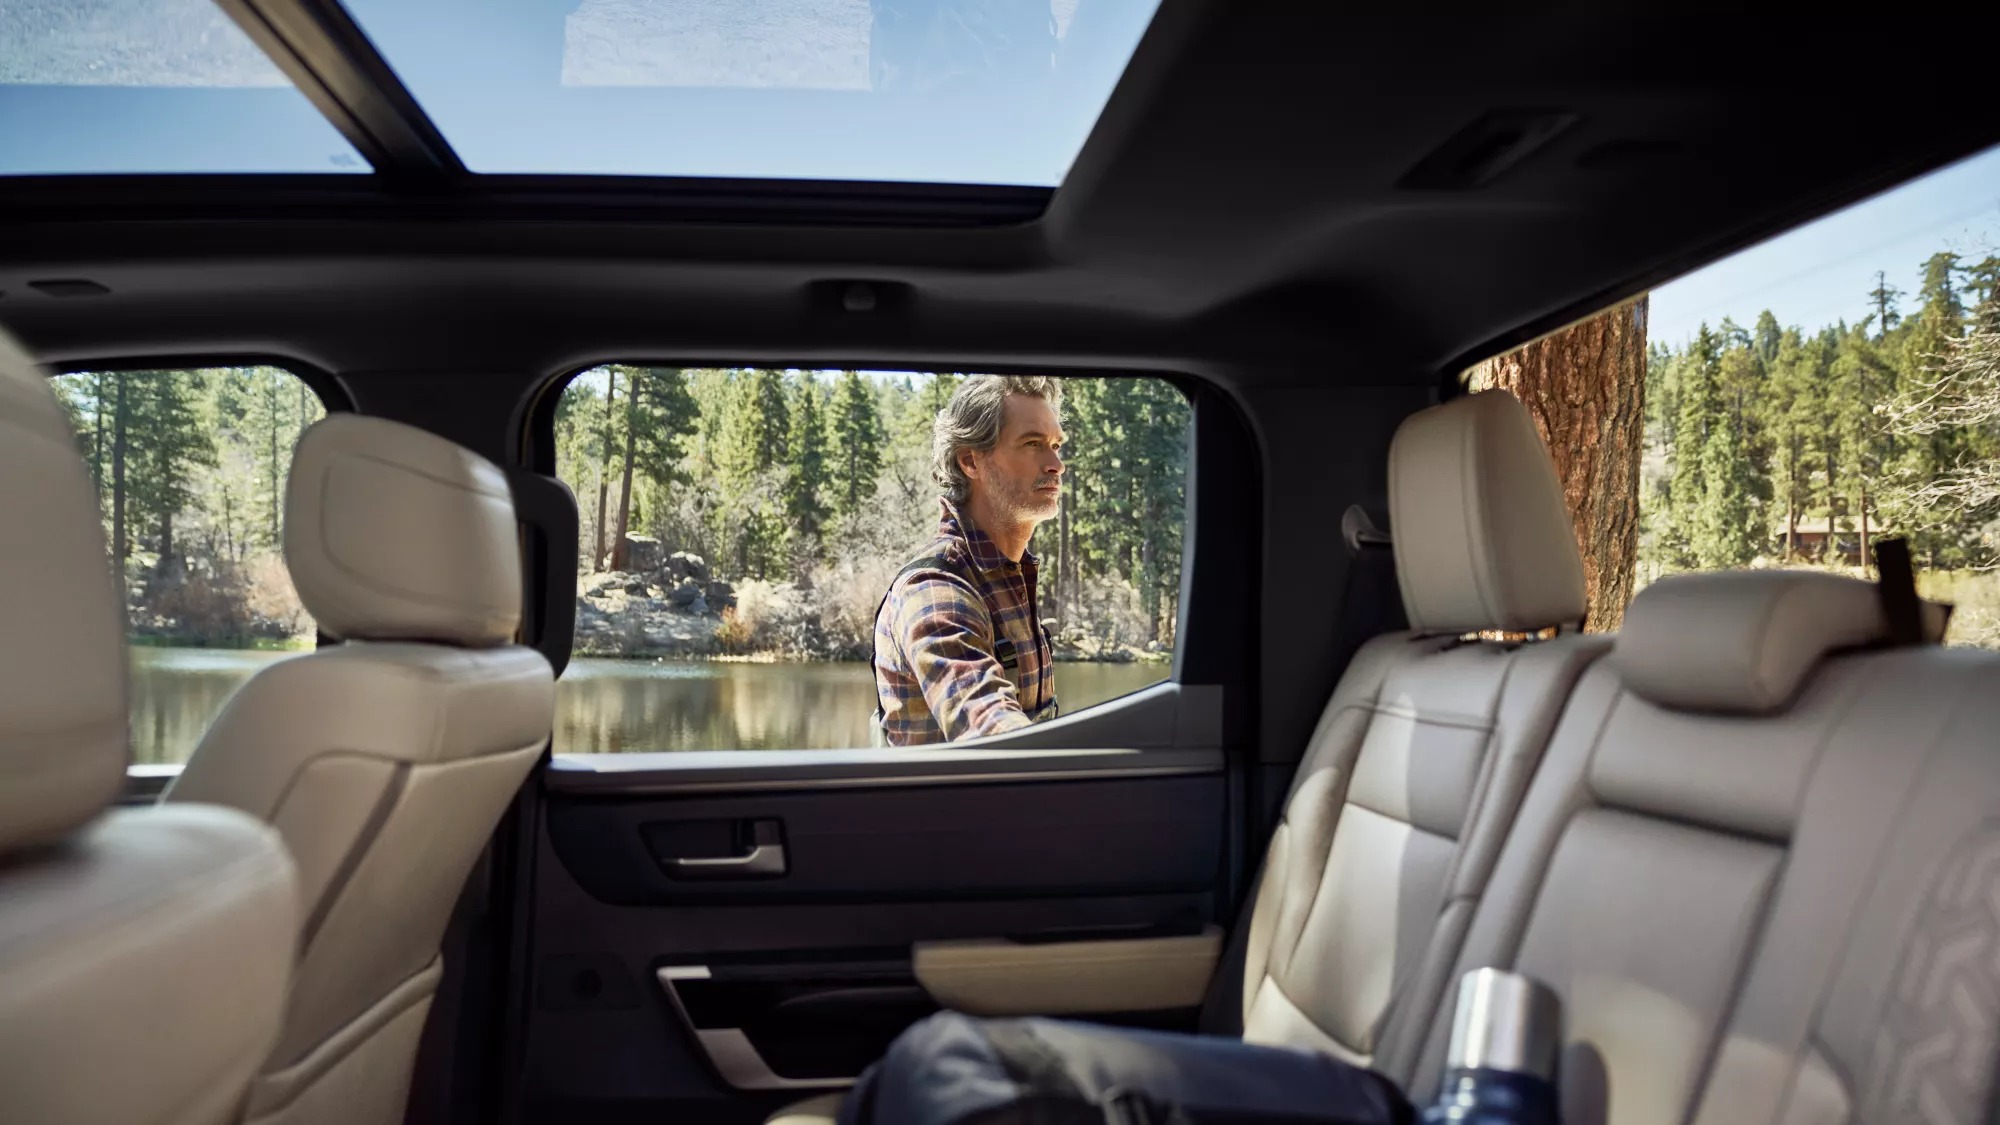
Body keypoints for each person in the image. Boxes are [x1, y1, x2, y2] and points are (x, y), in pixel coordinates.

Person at [872, 376, 1065, 746]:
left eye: (1056, 445)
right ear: (969, 460)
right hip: (948, 805)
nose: (1056, 463)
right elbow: (984, 720)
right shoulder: (934, 590)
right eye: (1032, 444)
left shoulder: (1010, 574)